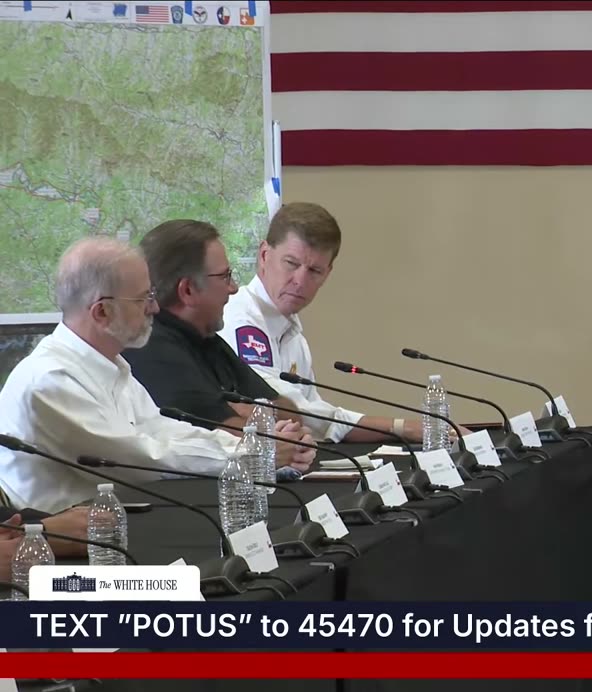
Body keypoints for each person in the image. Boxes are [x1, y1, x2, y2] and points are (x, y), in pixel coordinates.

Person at [0, 237, 315, 514]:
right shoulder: (50, 380)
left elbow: (165, 432)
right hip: (59, 547)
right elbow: (140, 459)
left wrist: (260, 445)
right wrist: (254, 455)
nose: (153, 308)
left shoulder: (112, 366)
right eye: (143, 299)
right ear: (102, 312)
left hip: (116, 523)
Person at [218, 203, 433, 443]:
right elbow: (288, 411)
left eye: (314, 271)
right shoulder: (239, 320)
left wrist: (401, 428)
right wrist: (399, 428)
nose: (300, 281)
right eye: (291, 263)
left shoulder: (292, 333)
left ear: (327, 274)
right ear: (264, 255)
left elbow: (314, 413)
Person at [123, 219, 310, 435]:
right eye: (224, 277)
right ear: (188, 290)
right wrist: (255, 418)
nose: (233, 288)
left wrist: (254, 412)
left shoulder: (207, 338)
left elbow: (292, 415)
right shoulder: (152, 348)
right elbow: (229, 436)